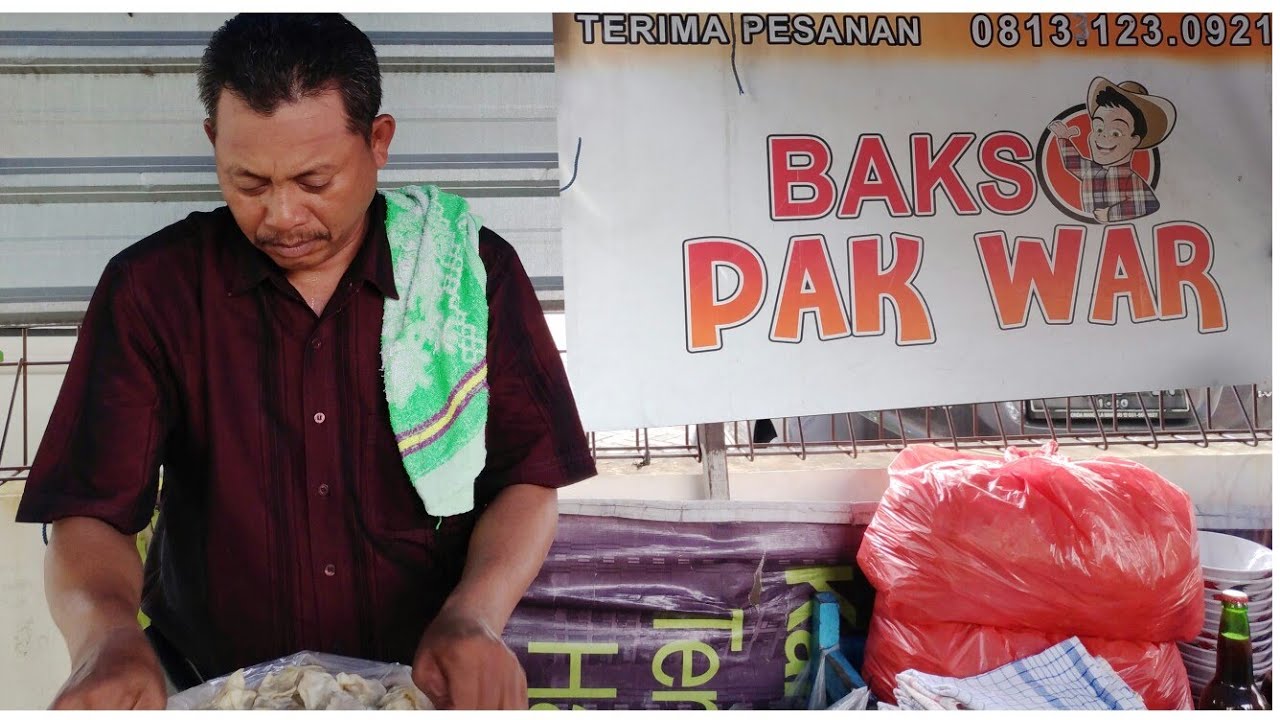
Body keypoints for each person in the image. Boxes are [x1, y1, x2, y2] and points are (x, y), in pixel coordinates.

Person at [16, 13, 595, 710]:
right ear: (213, 144)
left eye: (314, 181)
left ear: (378, 142)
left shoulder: (467, 275)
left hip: (421, 680)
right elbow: (90, 511)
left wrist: (474, 615)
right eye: (249, 182)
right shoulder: (153, 290)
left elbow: (527, 479)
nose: (282, 216)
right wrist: (105, 638)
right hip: (210, 682)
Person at [1049, 77, 1177, 223]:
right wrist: (1063, 138)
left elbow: (1149, 204)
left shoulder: (1130, 179)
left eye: (1116, 133)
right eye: (1098, 128)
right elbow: (1072, 163)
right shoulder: (1091, 170)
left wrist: (1111, 214)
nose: (1103, 136)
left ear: (1134, 140)